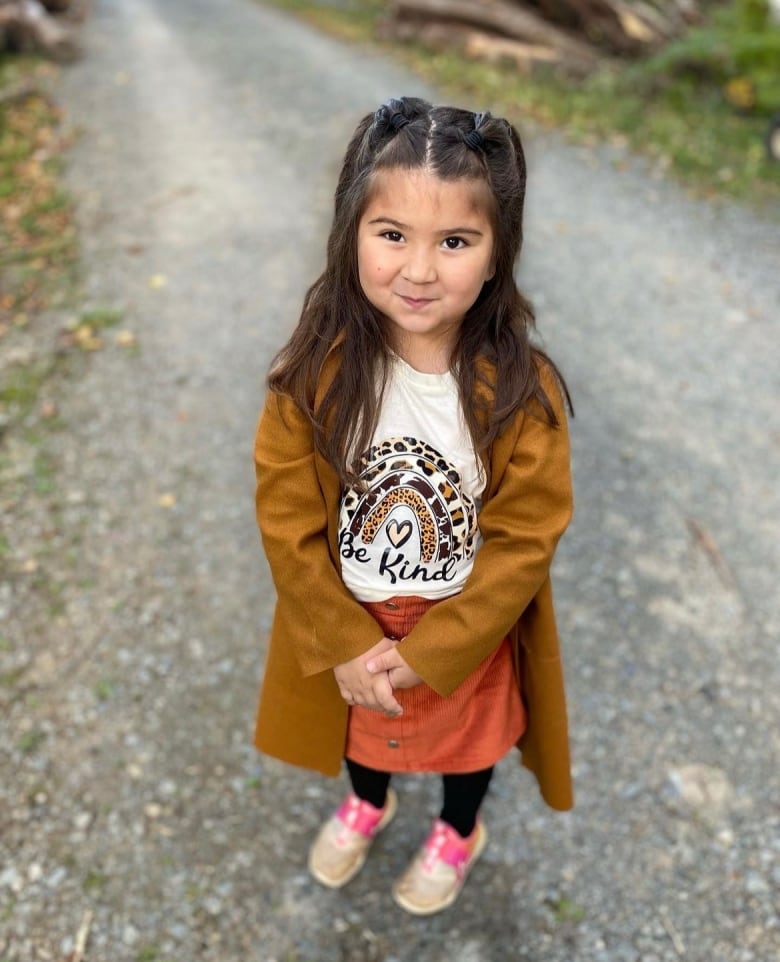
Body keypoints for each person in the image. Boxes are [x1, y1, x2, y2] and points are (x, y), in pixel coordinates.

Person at [252, 96, 574, 916]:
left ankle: (459, 829)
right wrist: (346, 638)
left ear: (498, 253)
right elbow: (287, 520)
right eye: (392, 235)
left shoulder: (521, 391)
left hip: (465, 626)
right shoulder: (312, 374)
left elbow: (526, 535)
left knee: (470, 748)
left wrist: (443, 646)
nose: (420, 269)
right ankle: (369, 799)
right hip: (352, 621)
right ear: (351, 233)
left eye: (456, 242)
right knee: (363, 731)